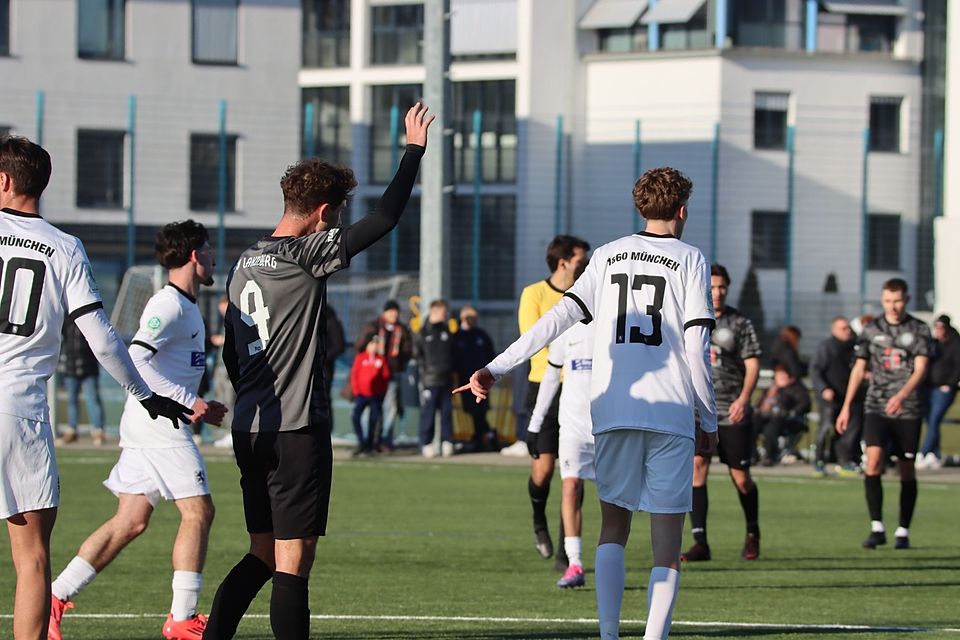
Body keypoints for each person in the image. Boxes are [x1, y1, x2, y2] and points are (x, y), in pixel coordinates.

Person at [456, 166, 717, 640]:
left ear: (640, 208)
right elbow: (698, 348)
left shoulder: (608, 255)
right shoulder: (692, 259)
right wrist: (709, 417)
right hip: (672, 412)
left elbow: (557, 320)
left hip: (612, 410)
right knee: (666, 544)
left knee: (613, 528)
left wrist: (494, 367)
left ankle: (610, 635)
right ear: (682, 210)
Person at [206, 103, 433, 640]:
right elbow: (385, 219)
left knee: (262, 552)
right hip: (294, 429)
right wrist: (413, 152)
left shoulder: (245, 260)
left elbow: (233, 355)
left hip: (250, 426)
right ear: (324, 211)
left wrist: (249, 399)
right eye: (337, 212)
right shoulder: (308, 254)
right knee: (293, 564)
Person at [0, 135, 189, 640]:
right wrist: (146, 395)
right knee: (32, 556)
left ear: (3, 181)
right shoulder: (64, 247)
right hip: (18, 407)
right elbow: (103, 341)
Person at [48, 221, 227, 640]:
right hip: (159, 425)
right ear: (194, 254)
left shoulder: (186, 305)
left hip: (149, 423)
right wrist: (185, 403)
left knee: (129, 521)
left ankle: (53, 598)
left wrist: (198, 402)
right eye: (208, 248)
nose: (213, 256)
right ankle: (182, 619)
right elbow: (137, 358)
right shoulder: (168, 305)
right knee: (198, 511)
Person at [836, 278, 930, 549]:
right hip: (876, 405)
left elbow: (921, 368)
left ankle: (903, 530)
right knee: (873, 462)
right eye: (888, 301)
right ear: (882, 300)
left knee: (906, 469)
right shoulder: (871, 329)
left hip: (908, 408)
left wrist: (902, 395)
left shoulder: (919, 329)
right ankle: (877, 527)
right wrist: (846, 406)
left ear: (907, 300)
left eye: (898, 300)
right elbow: (858, 369)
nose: (893, 306)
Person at [517, 234, 590, 568]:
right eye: (580, 260)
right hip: (543, 386)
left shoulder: (588, 296)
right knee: (544, 470)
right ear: (564, 262)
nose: (585, 266)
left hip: (580, 389)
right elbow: (535, 340)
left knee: (573, 471)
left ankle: (567, 549)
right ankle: (537, 520)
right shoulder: (535, 294)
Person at [682, 263, 762, 562]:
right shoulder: (688, 317)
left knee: (740, 476)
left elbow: (752, 365)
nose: (717, 293)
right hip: (698, 411)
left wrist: (744, 398)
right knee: (696, 470)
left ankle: (752, 533)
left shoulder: (740, 323)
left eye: (722, 287)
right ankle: (700, 541)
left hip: (732, 411)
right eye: (712, 287)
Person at [527, 320, 595, 589]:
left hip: (608, 425)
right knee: (570, 487)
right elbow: (551, 377)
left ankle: (612, 559)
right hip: (573, 427)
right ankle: (574, 563)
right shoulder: (566, 329)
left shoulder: (615, 325)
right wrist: (535, 422)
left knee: (615, 502)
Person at [355, 300, 413, 451]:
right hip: (373, 374)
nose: (394, 314)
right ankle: (367, 440)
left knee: (390, 407)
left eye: (396, 311)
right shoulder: (373, 327)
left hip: (391, 374)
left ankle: (385, 439)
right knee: (369, 409)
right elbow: (361, 346)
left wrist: (398, 362)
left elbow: (407, 350)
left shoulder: (401, 329)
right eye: (391, 311)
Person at [810, 316, 861, 476]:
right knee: (825, 428)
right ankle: (819, 461)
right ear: (834, 330)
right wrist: (824, 388)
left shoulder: (854, 347)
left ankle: (845, 461)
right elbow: (815, 370)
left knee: (849, 430)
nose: (847, 331)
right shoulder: (827, 347)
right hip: (830, 398)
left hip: (849, 397)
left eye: (848, 328)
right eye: (843, 328)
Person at [917, 315, 960, 469]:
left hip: (944, 388)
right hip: (929, 387)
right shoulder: (933, 344)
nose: (938, 331)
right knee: (930, 421)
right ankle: (934, 454)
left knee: (935, 419)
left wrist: (950, 383)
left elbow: (957, 366)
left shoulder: (955, 344)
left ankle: (923, 452)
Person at [453, 305, 497, 451]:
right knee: (472, 411)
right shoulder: (457, 337)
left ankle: (482, 438)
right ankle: (484, 436)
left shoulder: (481, 335)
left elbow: (491, 354)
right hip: (465, 380)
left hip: (481, 381)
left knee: (480, 410)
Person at [415, 299, 455, 458]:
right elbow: (418, 355)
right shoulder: (423, 332)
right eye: (444, 312)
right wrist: (426, 372)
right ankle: (426, 443)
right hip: (430, 380)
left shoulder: (447, 332)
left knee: (446, 412)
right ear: (435, 311)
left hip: (446, 379)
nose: (446, 316)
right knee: (429, 413)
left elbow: (453, 354)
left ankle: (447, 442)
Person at [57, 319, 107, 446]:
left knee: (93, 399)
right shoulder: (66, 322)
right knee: (72, 401)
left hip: (89, 367)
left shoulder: (90, 321)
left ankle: (98, 431)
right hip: (71, 367)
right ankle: (72, 431)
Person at [754, 364, 810, 466]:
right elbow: (759, 404)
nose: (781, 377)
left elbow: (804, 404)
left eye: (783, 375)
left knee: (770, 429)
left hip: (785, 420)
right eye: (778, 375)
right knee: (752, 424)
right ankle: (751, 455)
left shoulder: (796, 389)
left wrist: (791, 412)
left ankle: (770, 456)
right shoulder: (770, 390)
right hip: (765, 417)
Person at [350, 335, 390, 456]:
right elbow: (354, 375)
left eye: (376, 344)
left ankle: (370, 444)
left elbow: (385, 377)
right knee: (356, 416)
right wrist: (357, 391)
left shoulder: (381, 359)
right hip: (362, 395)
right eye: (372, 344)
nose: (374, 347)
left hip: (375, 396)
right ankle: (361, 442)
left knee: (374, 420)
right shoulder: (360, 358)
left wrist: (382, 393)